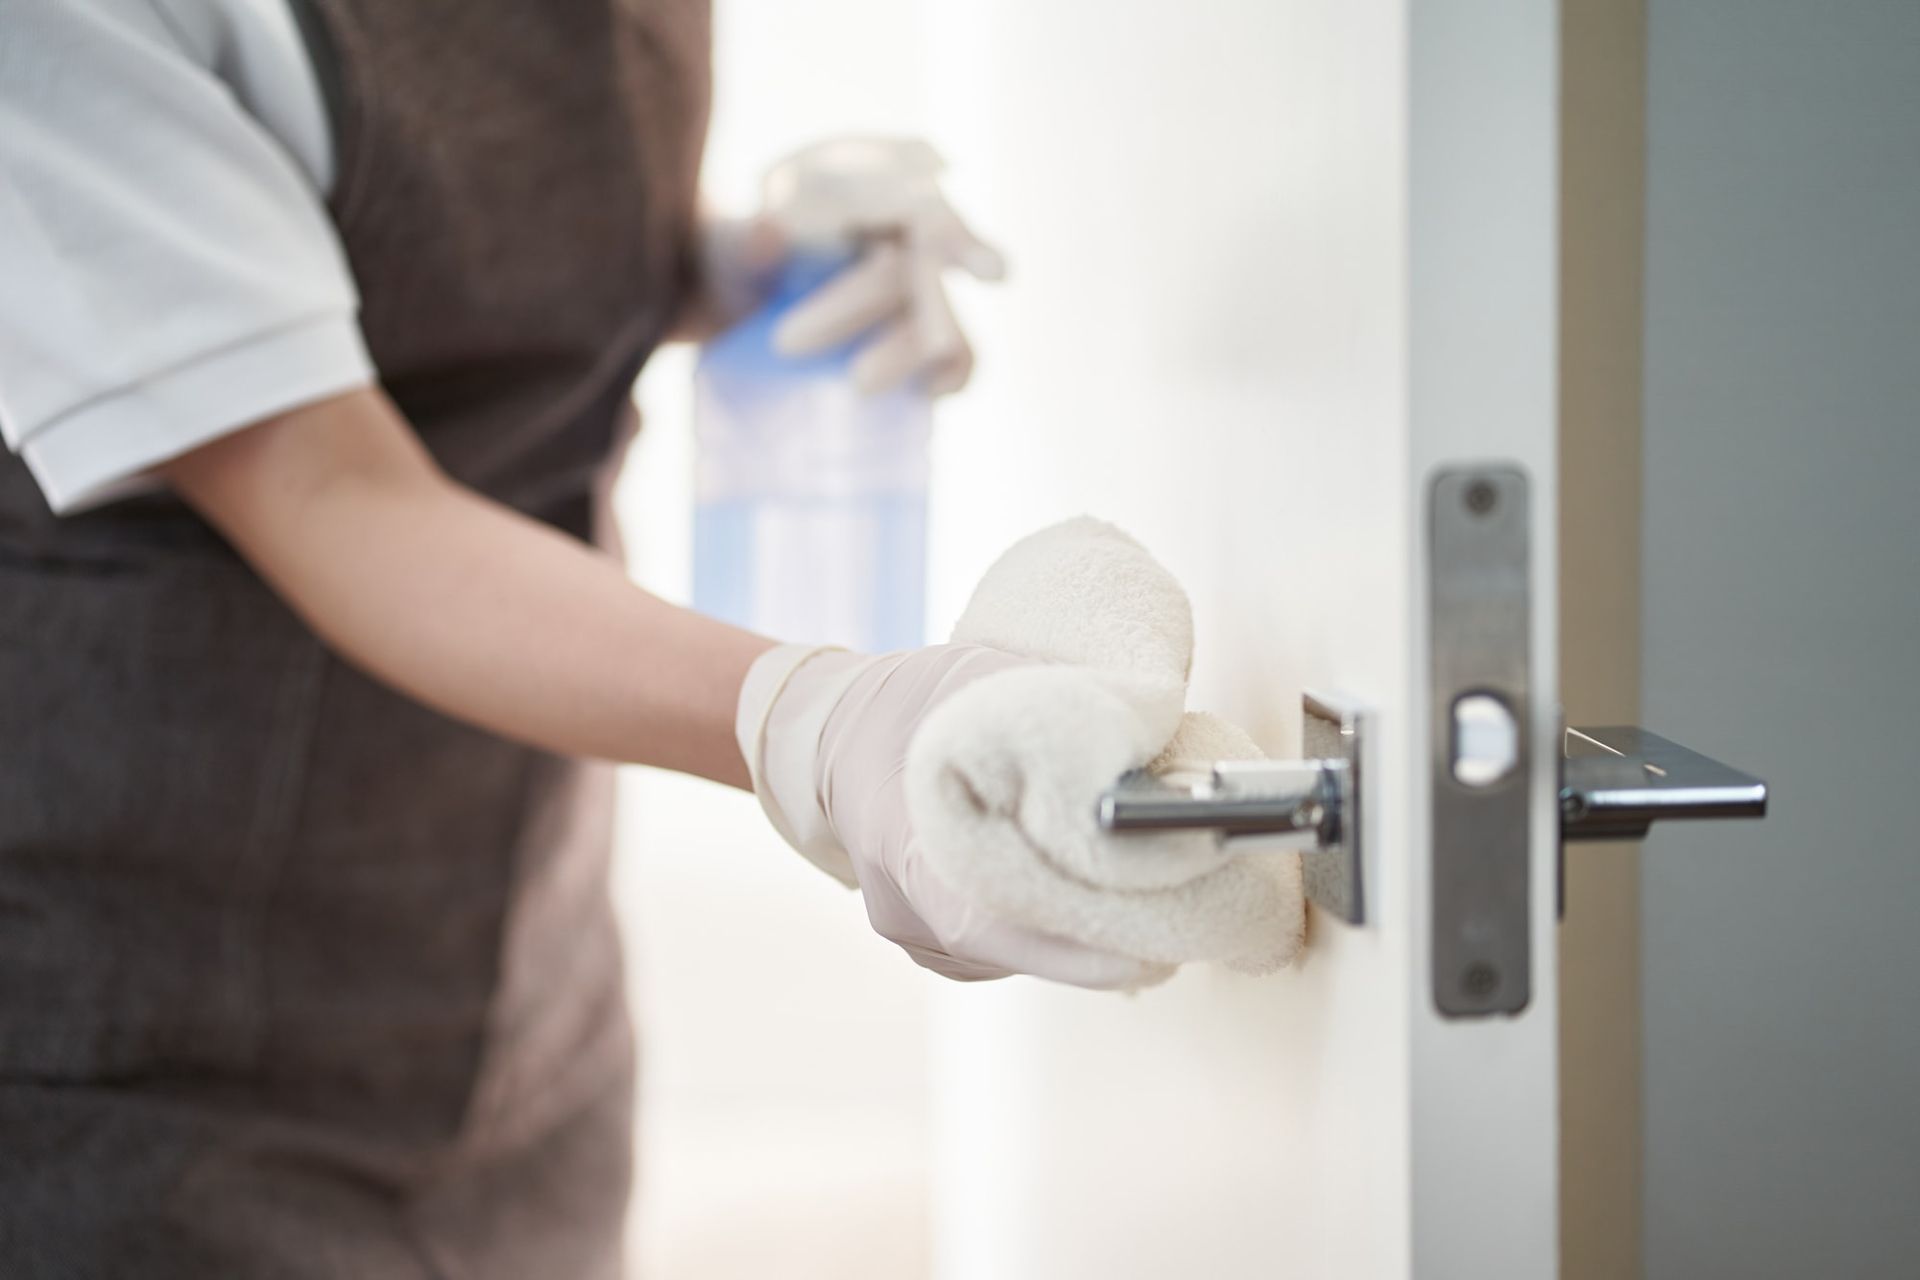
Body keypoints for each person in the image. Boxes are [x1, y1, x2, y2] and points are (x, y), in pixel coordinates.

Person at [0, 2, 1153, 1275]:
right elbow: (333, 491)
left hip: (514, 986)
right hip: (136, 1050)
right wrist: (808, 720)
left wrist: (717, 269)